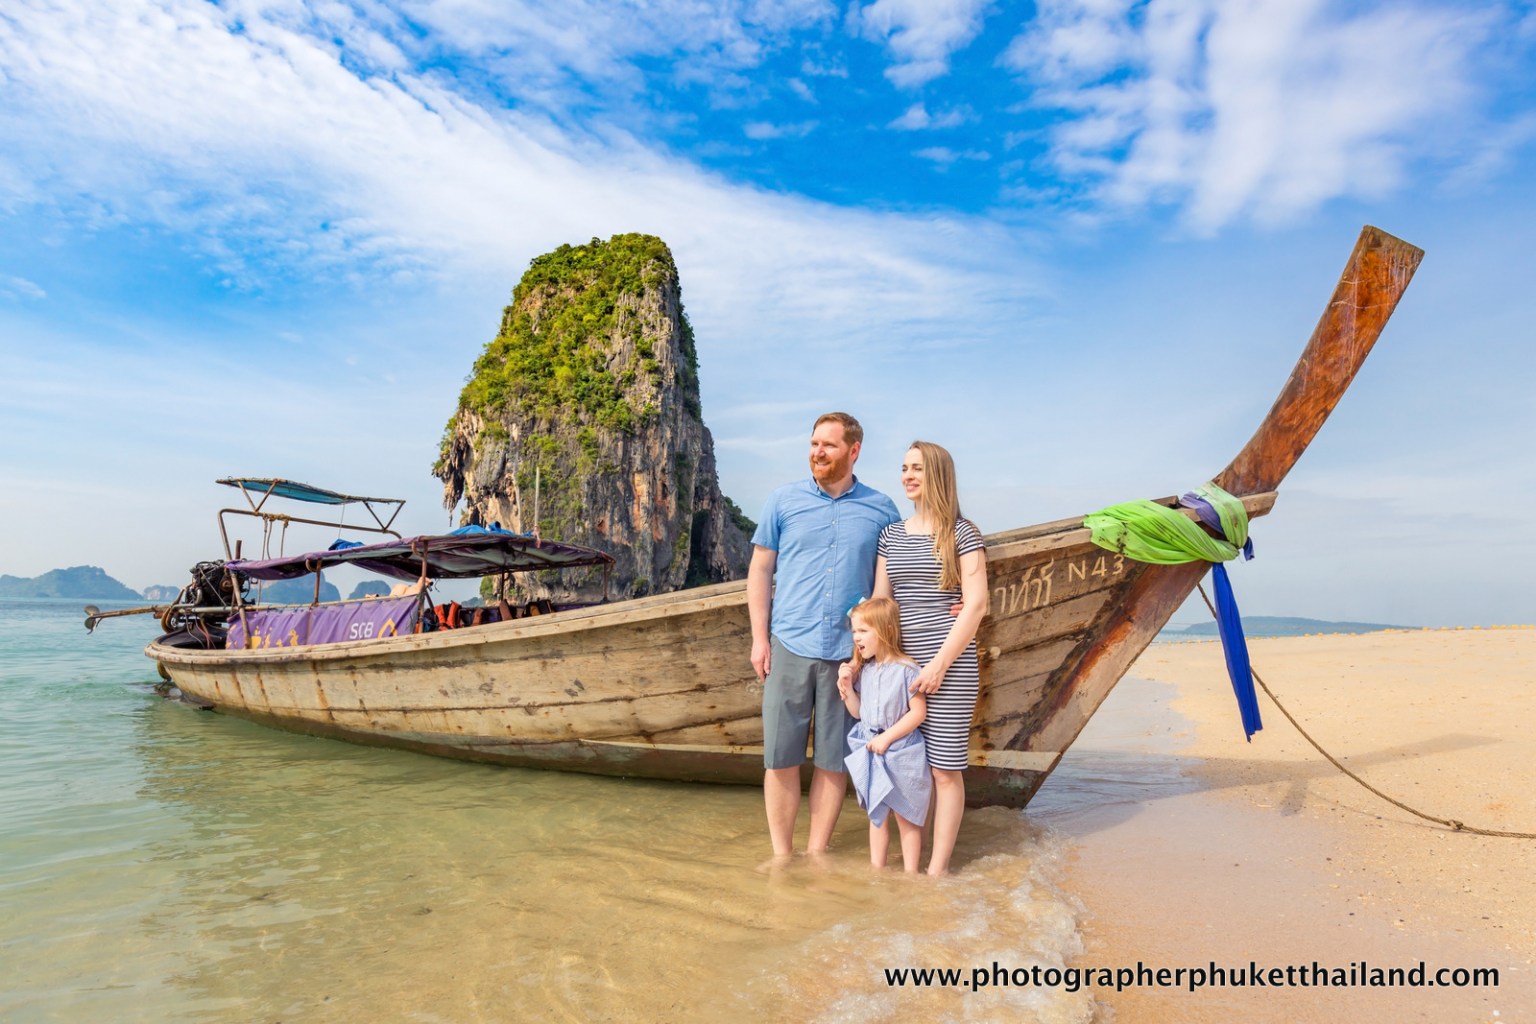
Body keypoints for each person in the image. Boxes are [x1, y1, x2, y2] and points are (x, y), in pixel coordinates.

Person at [749, 412, 902, 857]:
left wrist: (866, 653)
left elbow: (886, 585)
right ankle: (782, 855)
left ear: (853, 451)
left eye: (828, 445)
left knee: (834, 760)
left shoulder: (882, 509)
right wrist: (760, 639)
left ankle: (816, 853)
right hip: (789, 643)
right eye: (814, 443)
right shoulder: (782, 501)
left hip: (848, 654)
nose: (818, 452)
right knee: (780, 756)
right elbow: (760, 570)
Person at [873, 440, 988, 875]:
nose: (907, 475)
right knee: (907, 766)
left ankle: (937, 873)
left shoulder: (962, 533)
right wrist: (863, 660)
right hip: (899, 668)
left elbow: (975, 604)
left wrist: (938, 666)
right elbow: (882, 603)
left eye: (917, 468)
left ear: (937, 474)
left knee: (944, 769)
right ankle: (904, 869)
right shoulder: (890, 536)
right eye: (904, 467)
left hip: (950, 667)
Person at [837, 597, 931, 872]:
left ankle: (911, 874)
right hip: (872, 747)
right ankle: (877, 871)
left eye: (863, 631)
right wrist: (847, 687)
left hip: (901, 750)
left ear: (886, 630)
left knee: (906, 815)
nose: (856, 637)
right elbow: (858, 713)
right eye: (854, 631)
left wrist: (887, 738)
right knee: (877, 815)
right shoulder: (866, 671)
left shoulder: (907, 670)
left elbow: (917, 713)